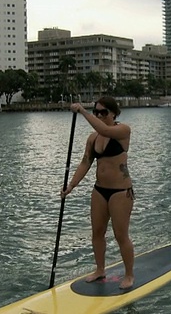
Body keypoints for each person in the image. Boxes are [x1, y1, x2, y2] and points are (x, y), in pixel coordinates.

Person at [61, 97, 135, 290]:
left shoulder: (122, 131)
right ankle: (100, 269)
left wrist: (83, 111)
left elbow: (105, 130)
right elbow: (86, 162)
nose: (99, 115)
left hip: (120, 191)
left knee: (121, 235)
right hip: (99, 190)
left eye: (103, 112)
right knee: (97, 232)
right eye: (96, 112)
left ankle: (129, 275)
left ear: (113, 114)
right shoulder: (93, 138)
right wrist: (71, 186)